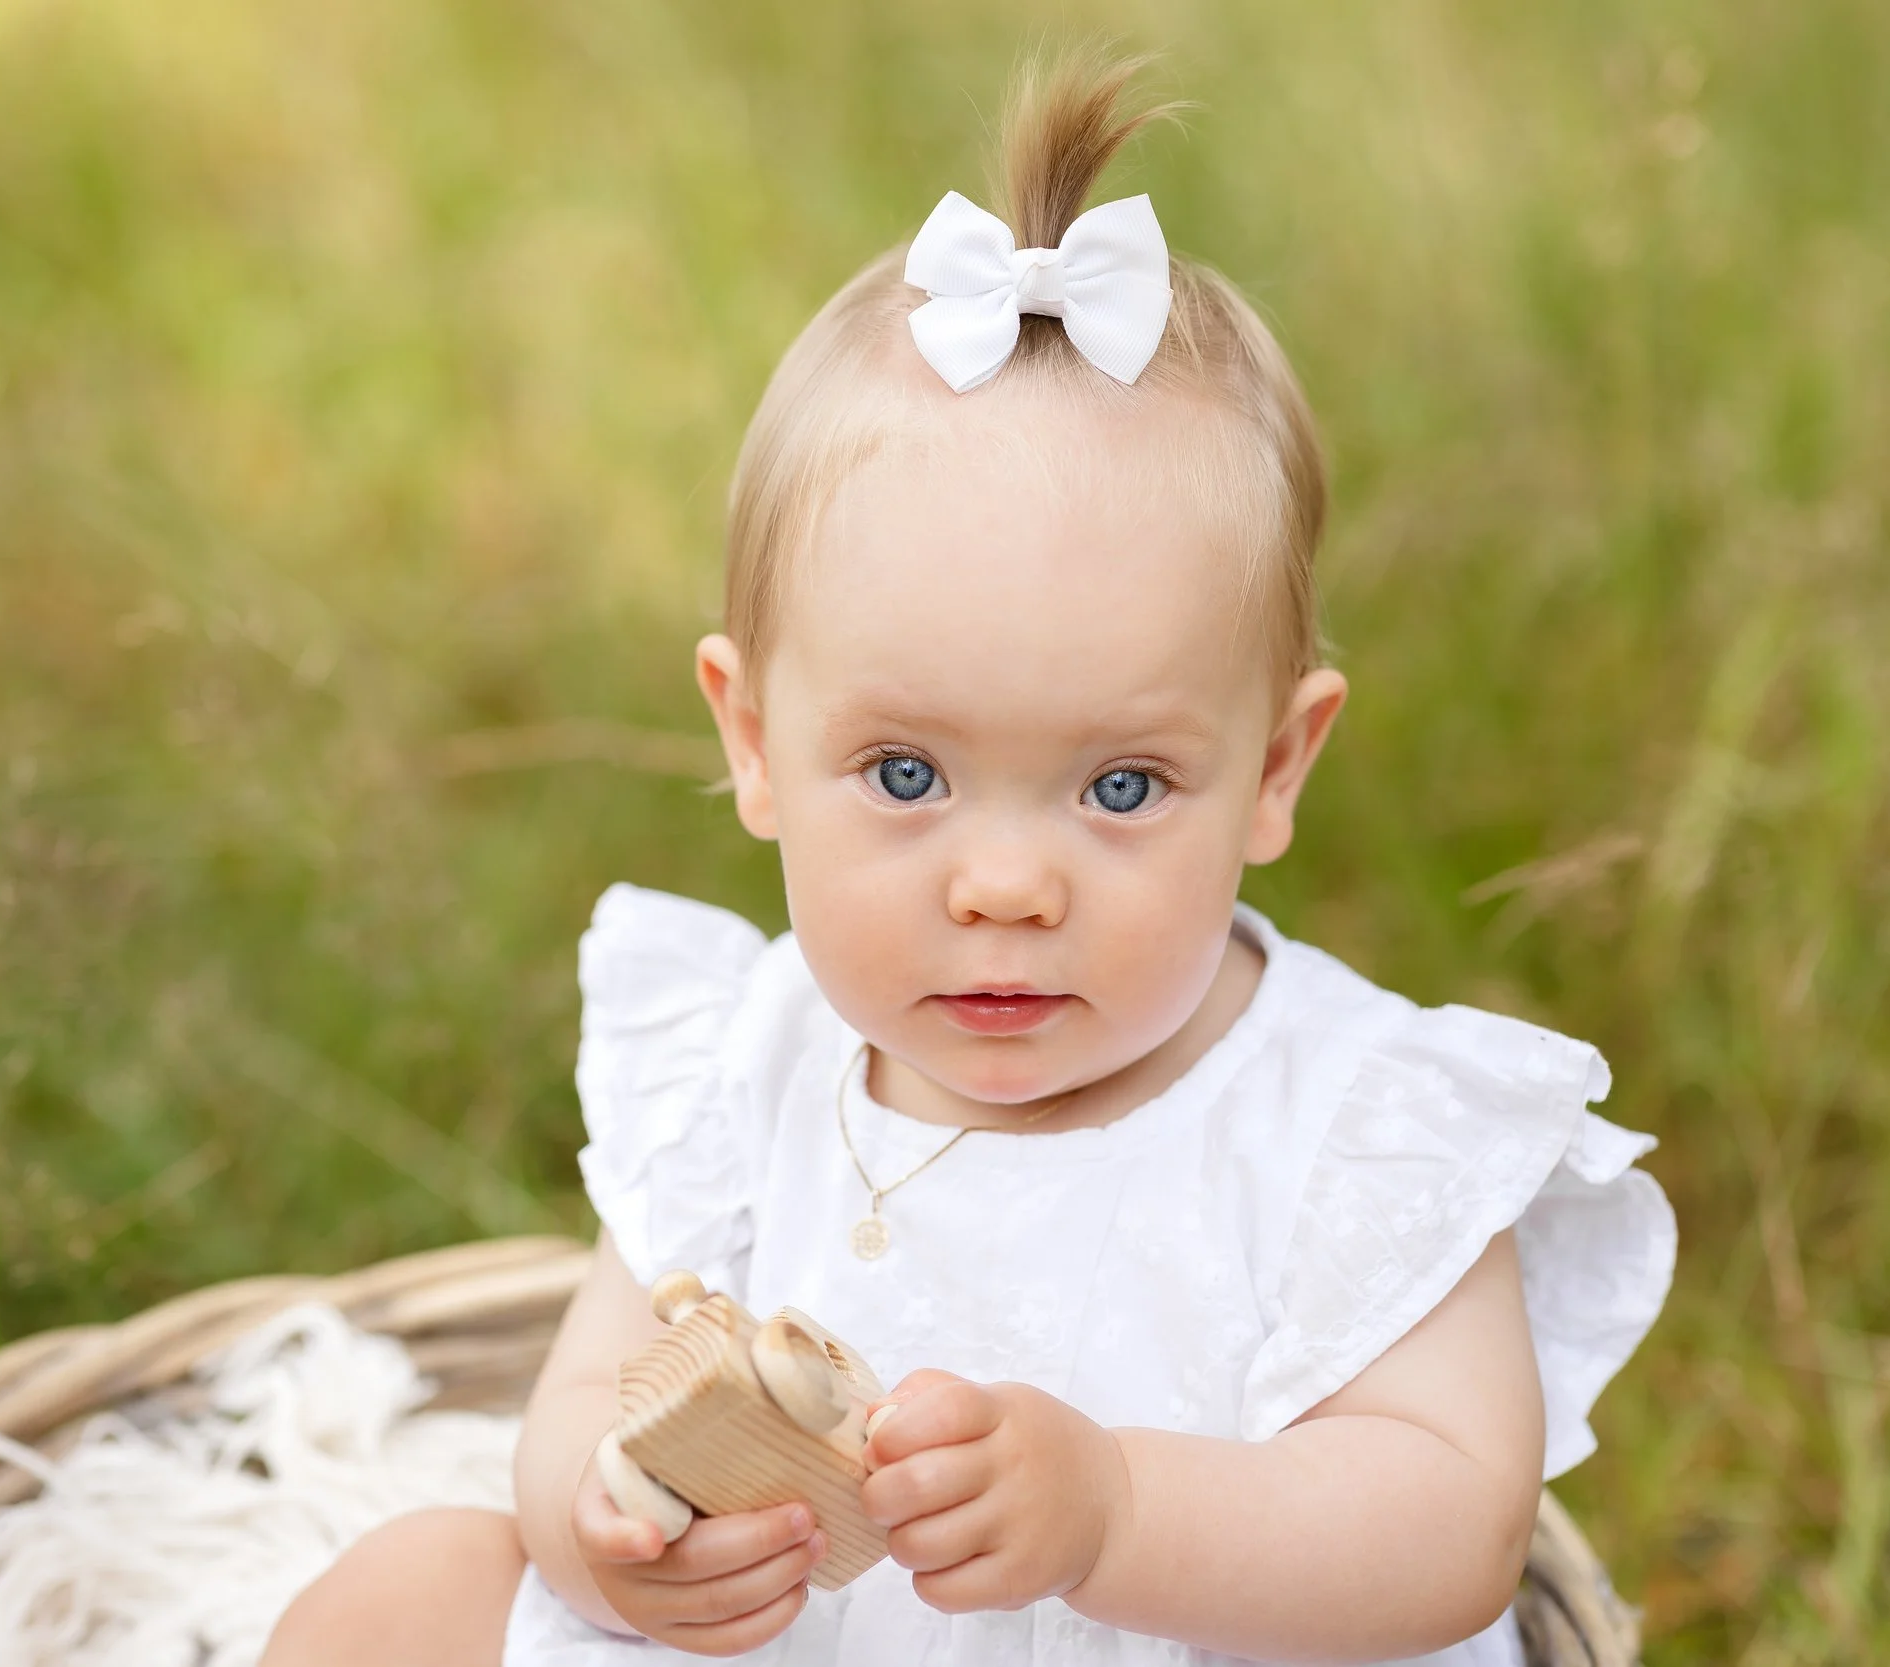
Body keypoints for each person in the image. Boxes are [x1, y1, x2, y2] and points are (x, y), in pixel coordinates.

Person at [262, 48, 1674, 1667]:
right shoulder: (744, 1060)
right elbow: (590, 1391)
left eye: (1123, 786)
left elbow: (1448, 1525)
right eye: (907, 774)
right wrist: (616, 1531)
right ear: (752, 741)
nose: (1006, 886)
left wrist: (1119, 1516)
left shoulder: (1356, 1122)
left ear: (1277, 769)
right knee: (412, 1589)